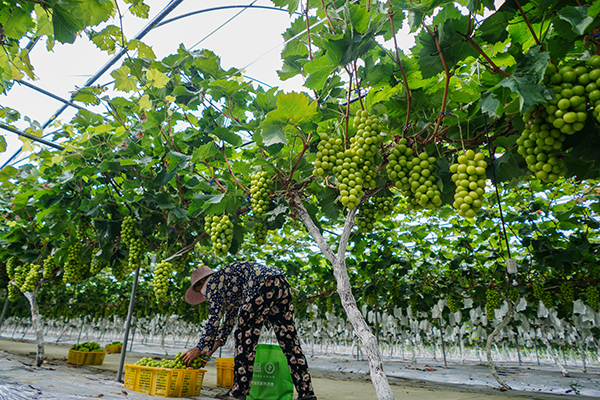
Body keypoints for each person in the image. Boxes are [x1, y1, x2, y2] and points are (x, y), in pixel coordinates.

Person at [181, 261, 317, 400]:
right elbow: (229, 321)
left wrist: (199, 348)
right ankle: (307, 393)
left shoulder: (213, 282)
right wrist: (208, 352)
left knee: (244, 338)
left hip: (261, 284)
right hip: (280, 283)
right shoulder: (230, 282)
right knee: (289, 340)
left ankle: (238, 392)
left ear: (203, 280)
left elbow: (214, 318)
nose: (203, 294)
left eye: (199, 290)